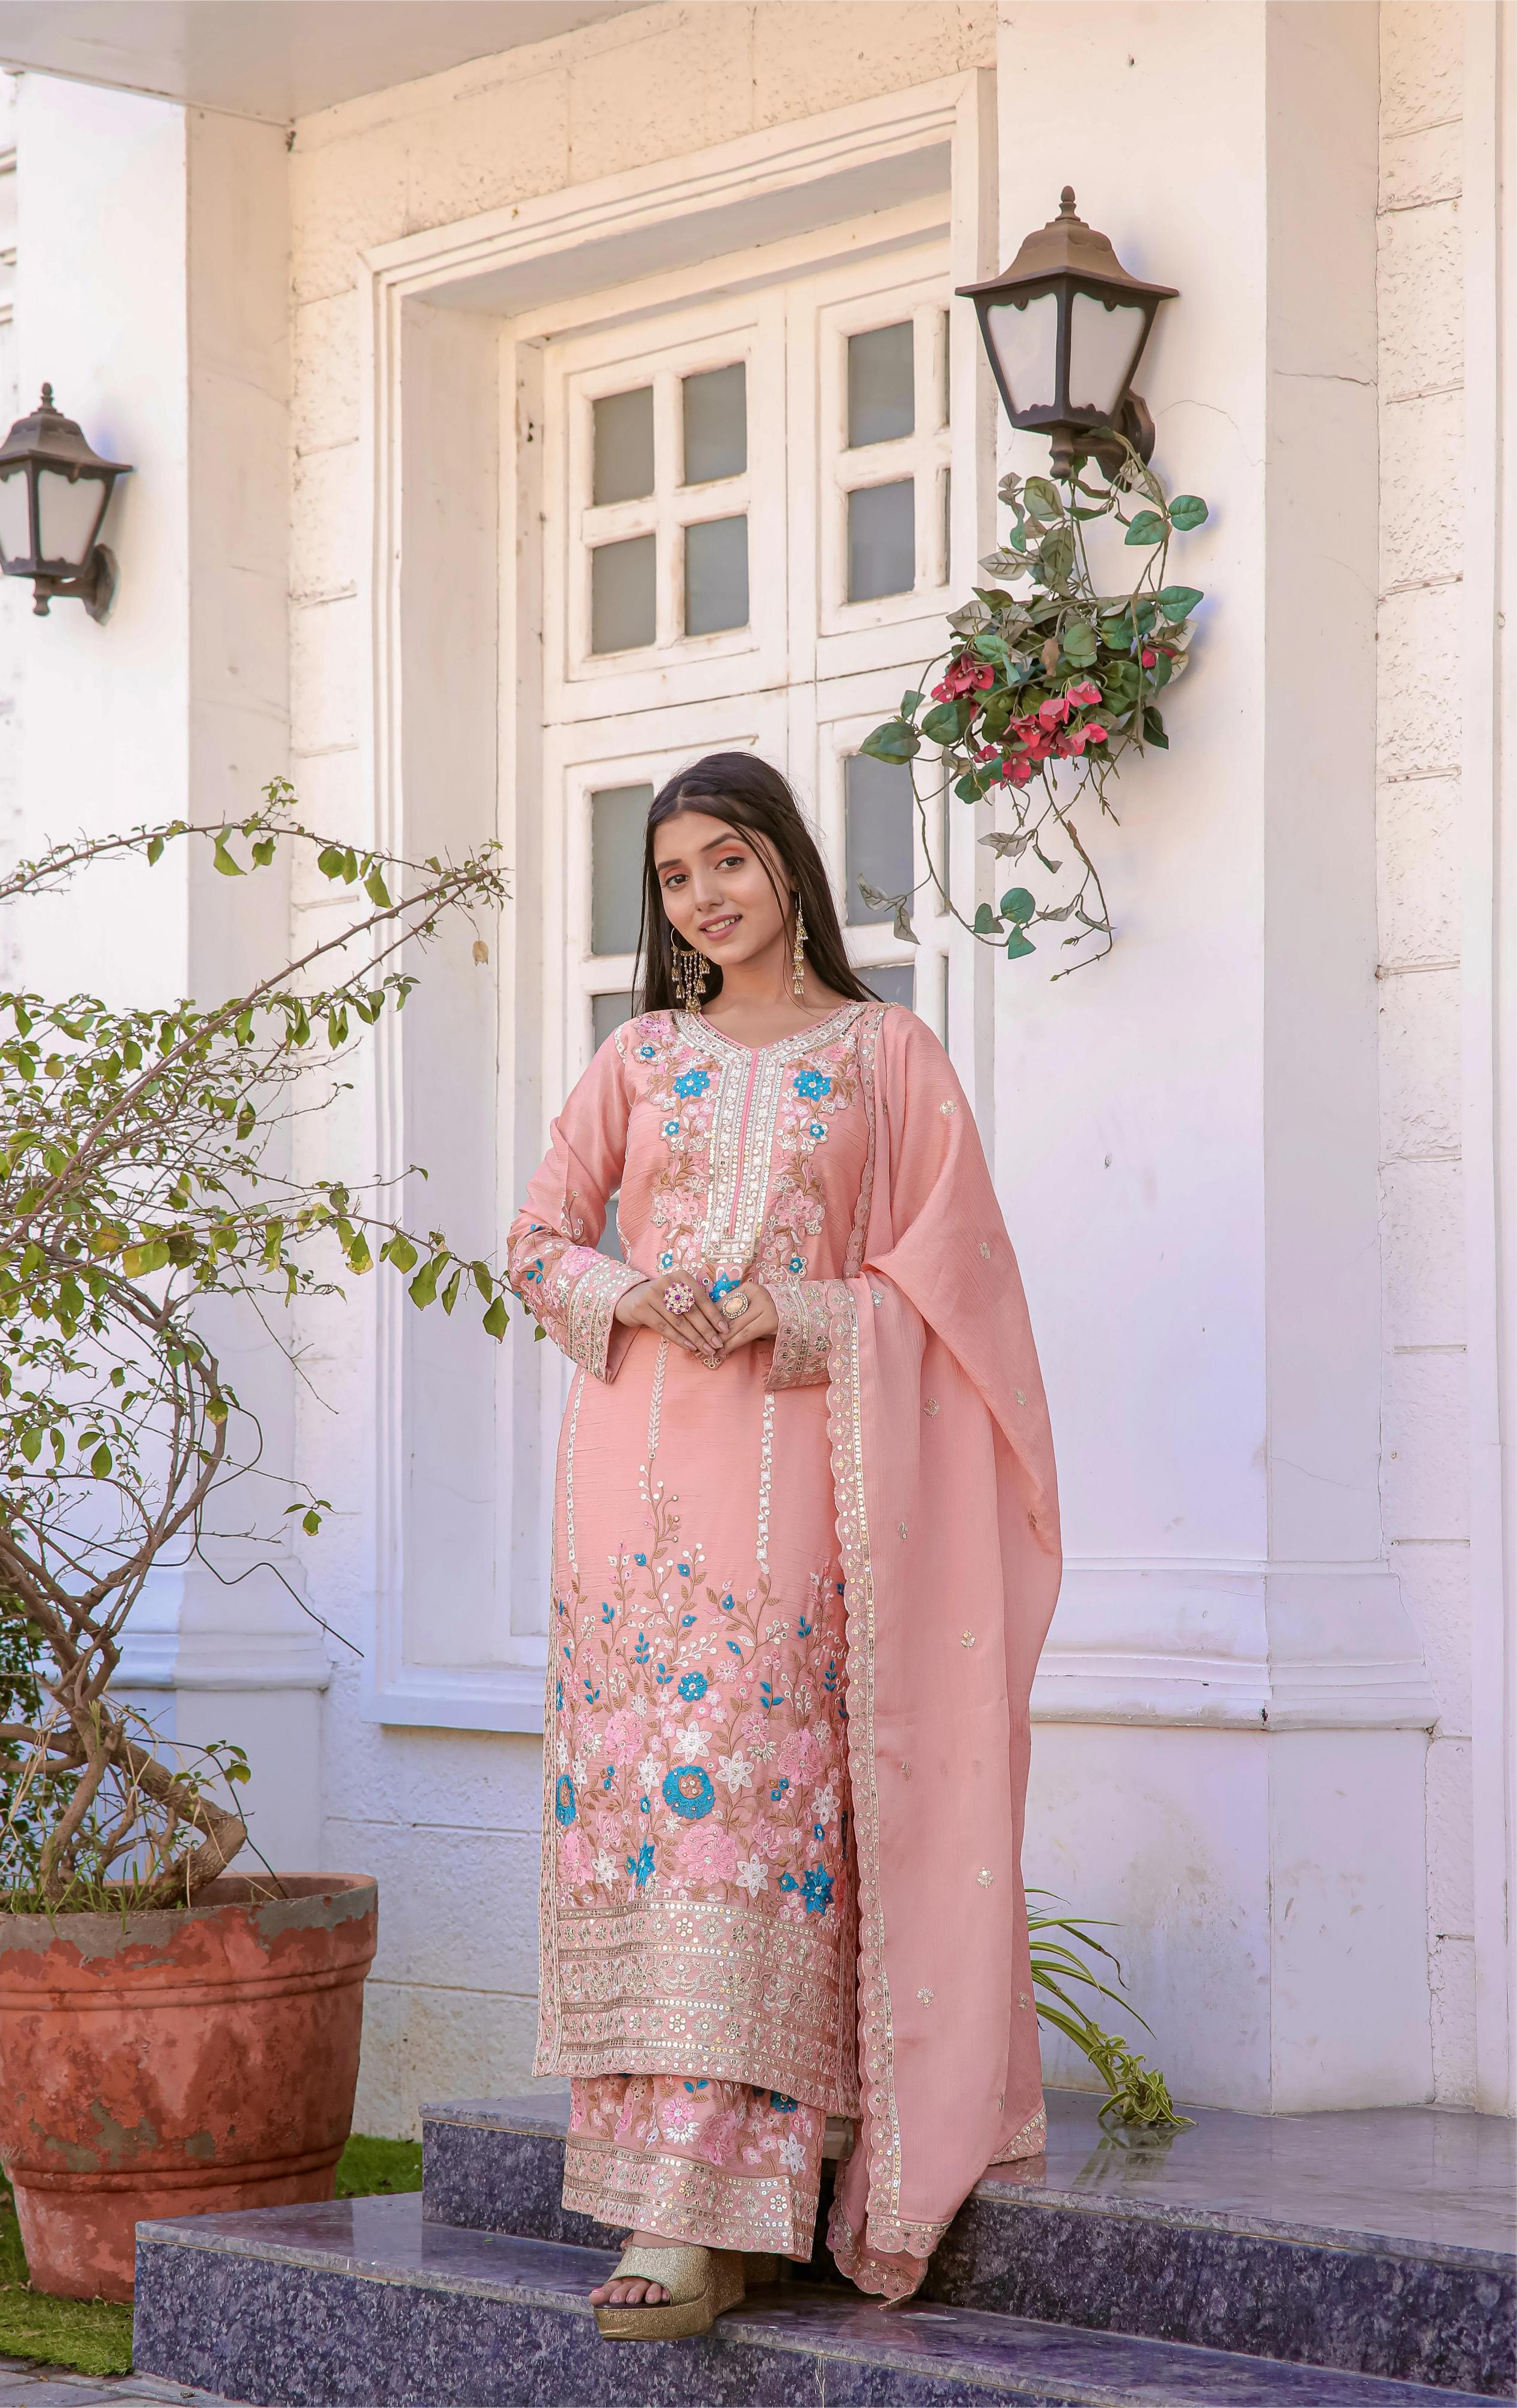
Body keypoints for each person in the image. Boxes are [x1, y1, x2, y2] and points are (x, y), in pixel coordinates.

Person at [507, 752, 1060, 2341]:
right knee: (650, 1824)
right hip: (633, 1499)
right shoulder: (638, 1058)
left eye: (728, 861)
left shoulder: (887, 1056)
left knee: (760, 1810)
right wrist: (632, 1290)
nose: (704, 897)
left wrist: (805, 1309)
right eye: (675, 877)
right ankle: (674, 2203)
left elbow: (961, 1288)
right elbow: (539, 1242)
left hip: (806, 1485)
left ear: (789, 867)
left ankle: (748, 2195)